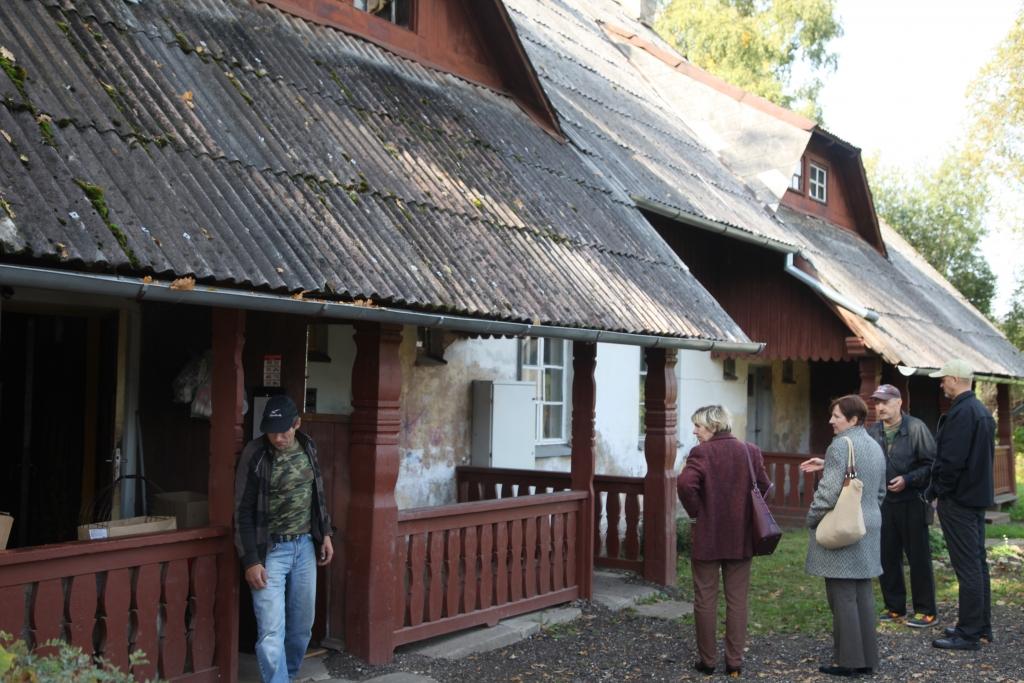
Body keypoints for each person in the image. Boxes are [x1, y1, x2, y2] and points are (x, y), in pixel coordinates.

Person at [235, 395, 334, 683]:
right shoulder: (255, 454)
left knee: (303, 625)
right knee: (270, 631)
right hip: (270, 550)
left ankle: (286, 677)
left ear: (296, 424)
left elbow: (318, 496)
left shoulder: (308, 446)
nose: (277, 437)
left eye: (283, 430)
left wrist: (325, 533)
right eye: (272, 431)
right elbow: (240, 511)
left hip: (304, 546)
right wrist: (250, 560)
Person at [677, 405, 771, 679]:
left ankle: (707, 662)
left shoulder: (701, 453)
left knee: (705, 598)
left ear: (715, 426)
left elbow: (685, 485)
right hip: (741, 537)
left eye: (699, 426)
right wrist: (746, 512)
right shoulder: (750, 451)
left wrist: (697, 512)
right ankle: (734, 662)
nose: (694, 431)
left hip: (708, 536)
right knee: (737, 600)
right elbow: (765, 487)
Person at [800, 395, 886, 678]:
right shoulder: (874, 445)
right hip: (869, 525)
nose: (831, 421)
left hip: (844, 527)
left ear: (853, 419)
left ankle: (848, 662)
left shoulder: (840, 446)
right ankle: (866, 659)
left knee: (842, 596)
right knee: (862, 593)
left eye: (836, 416)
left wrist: (812, 518)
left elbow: (827, 494)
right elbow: (880, 491)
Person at [926, 358, 995, 651]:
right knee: (977, 565)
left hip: (960, 500)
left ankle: (968, 634)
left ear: (955, 379)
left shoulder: (962, 413)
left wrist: (937, 491)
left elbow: (952, 461)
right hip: (976, 497)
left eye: (943, 379)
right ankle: (980, 626)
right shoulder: (980, 411)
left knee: (967, 567)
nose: (941, 384)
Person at [866, 384, 938, 628]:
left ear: (899, 403)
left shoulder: (916, 428)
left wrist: (908, 480)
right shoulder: (872, 431)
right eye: (877, 402)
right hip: (883, 503)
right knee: (887, 555)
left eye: (885, 402)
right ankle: (895, 607)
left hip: (912, 501)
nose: (881, 407)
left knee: (918, 557)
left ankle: (926, 610)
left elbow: (931, 465)